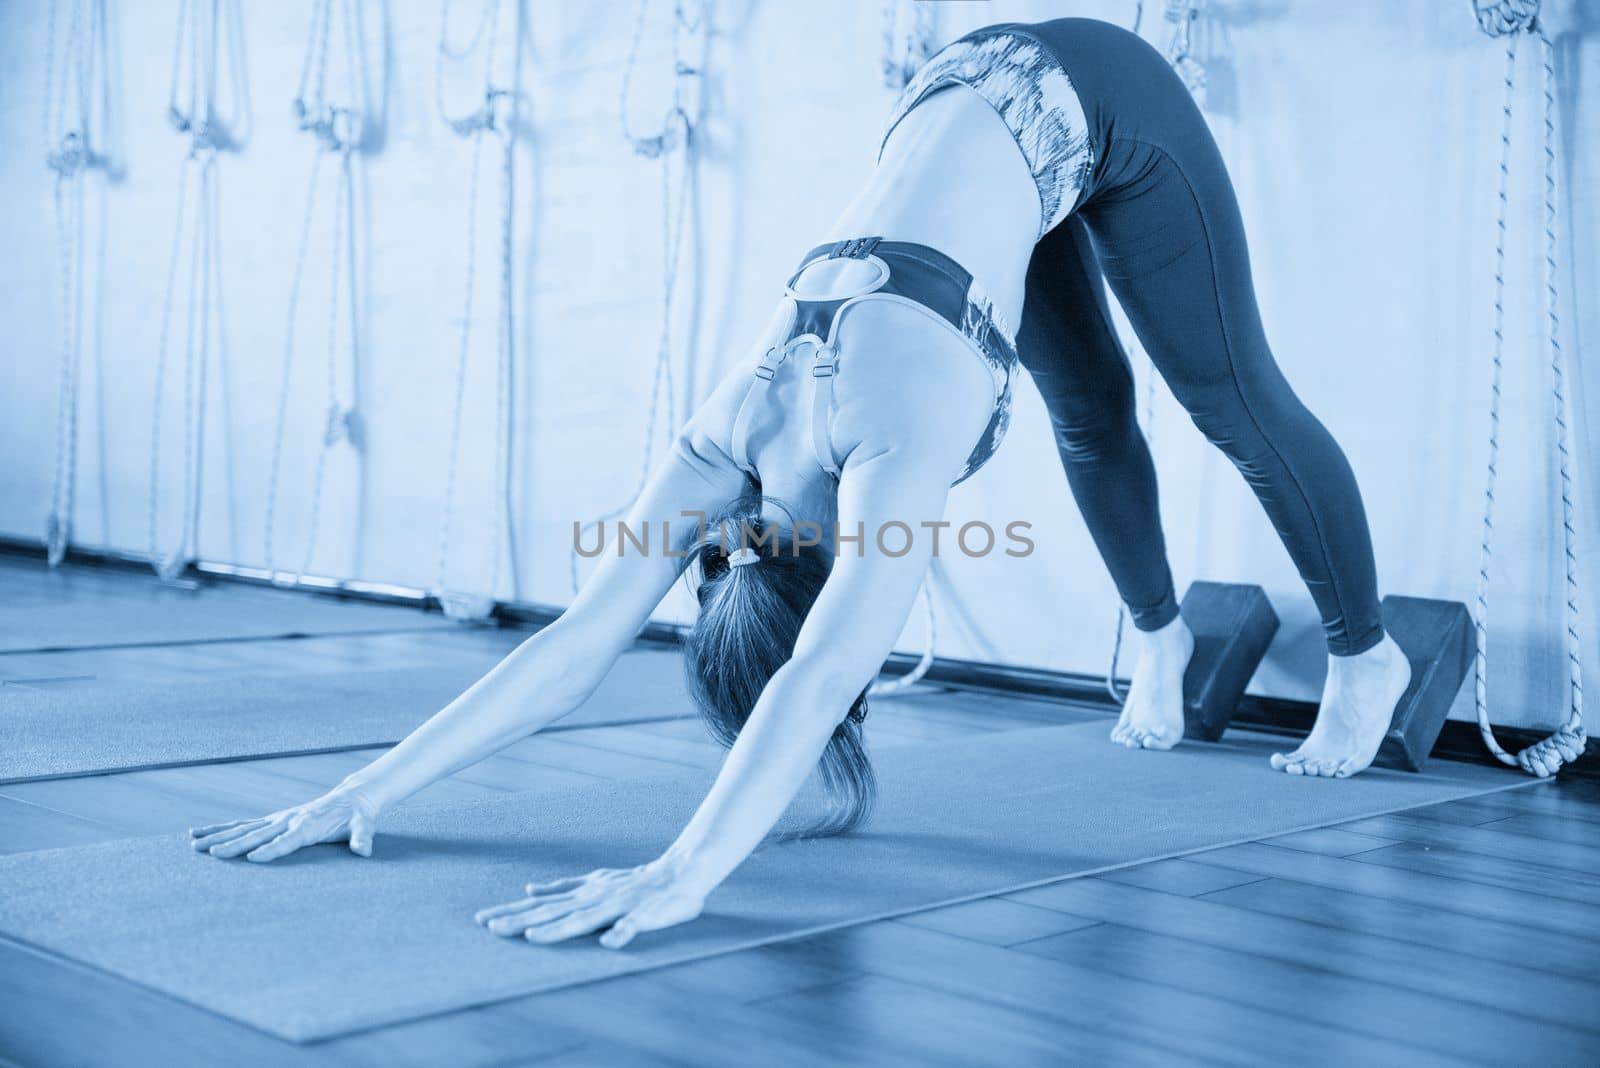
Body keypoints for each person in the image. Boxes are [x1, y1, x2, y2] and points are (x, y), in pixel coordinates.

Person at [191, 18, 1413, 948]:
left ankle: (1366, 658)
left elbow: (822, 669)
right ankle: (1156, 642)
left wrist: (685, 873)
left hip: (1091, 94)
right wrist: (361, 790)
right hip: (954, 107)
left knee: (1231, 402)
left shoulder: (890, 438)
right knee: (1090, 415)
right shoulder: (725, 452)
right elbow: (573, 643)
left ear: (819, 572)